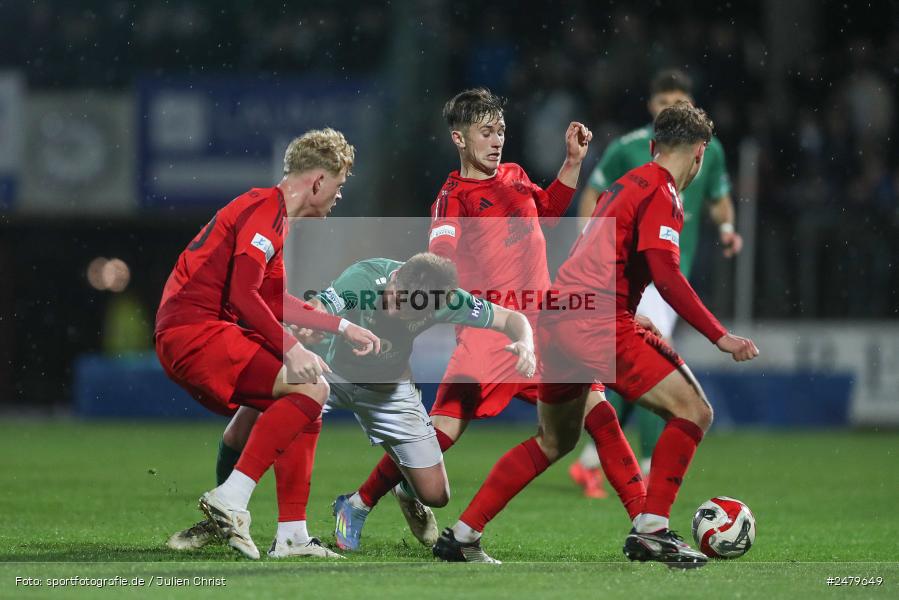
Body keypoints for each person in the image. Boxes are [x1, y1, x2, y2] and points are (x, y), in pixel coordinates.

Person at [432, 102, 759, 567]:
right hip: (597, 323)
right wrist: (719, 335)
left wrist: (625, 310)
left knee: (554, 441)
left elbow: (594, 256)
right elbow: (667, 277)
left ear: (653, 146)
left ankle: (463, 535)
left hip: (560, 319)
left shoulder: (626, 184)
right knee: (694, 411)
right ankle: (652, 530)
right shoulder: (663, 193)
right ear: (700, 154)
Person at [330, 87, 595, 553]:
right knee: (442, 434)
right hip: (487, 334)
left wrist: (571, 163)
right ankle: (358, 503)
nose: (497, 141)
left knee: (598, 408)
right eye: (486, 132)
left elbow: (549, 215)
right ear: (459, 138)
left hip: (538, 326)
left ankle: (647, 523)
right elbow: (439, 259)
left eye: (501, 131)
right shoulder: (452, 199)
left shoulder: (515, 176)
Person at [166, 253, 537, 557]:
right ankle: (221, 517)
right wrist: (308, 326)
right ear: (396, 278)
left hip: (387, 390)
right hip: (329, 373)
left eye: (408, 309)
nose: (395, 308)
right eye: (396, 297)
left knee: (436, 495)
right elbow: (320, 305)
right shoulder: (365, 278)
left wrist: (526, 344)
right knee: (245, 423)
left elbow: (512, 319)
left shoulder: (446, 300)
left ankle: (401, 489)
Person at [155, 128, 381, 560]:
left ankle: (291, 534)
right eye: (339, 185)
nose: (339, 196)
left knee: (299, 399)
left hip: (195, 330)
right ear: (318, 181)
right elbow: (243, 295)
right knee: (310, 385)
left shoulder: (272, 217)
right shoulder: (264, 210)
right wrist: (291, 349)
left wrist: (340, 326)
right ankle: (230, 499)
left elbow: (272, 301)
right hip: (195, 332)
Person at [570, 69, 743, 497]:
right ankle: (647, 472)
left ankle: (591, 462)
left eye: (678, 100)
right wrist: (719, 335)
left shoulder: (703, 153)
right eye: (664, 100)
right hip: (640, 279)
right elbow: (591, 195)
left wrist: (726, 229)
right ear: (651, 106)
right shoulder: (632, 155)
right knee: (666, 382)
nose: (670, 106)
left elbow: (720, 199)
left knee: (560, 430)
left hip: (641, 280)